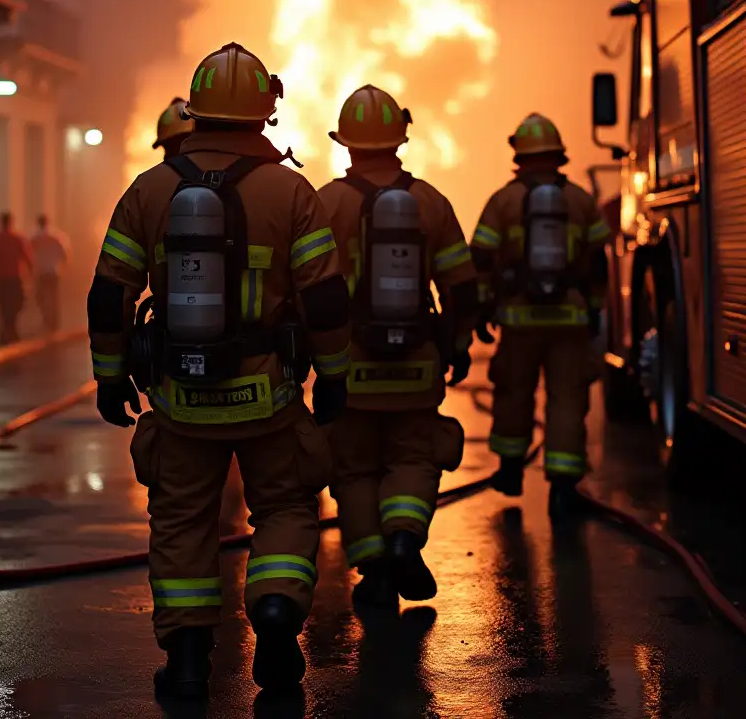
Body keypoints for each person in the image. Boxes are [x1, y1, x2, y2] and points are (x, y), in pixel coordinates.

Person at [86, 42, 351, 701]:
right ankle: (276, 615)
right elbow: (324, 297)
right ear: (266, 111)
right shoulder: (292, 191)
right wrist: (336, 373)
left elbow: (108, 293)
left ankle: (186, 660)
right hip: (270, 396)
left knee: (182, 522)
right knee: (286, 506)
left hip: (180, 401)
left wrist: (110, 375)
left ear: (196, 109)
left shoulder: (149, 190)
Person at [316, 86, 478, 608]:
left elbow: (304, 289)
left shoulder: (327, 203)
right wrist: (456, 344)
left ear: (346, 144)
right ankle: (406, 537)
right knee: (414, 456)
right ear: (400, 139)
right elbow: (460, 285)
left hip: (348, 366)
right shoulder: (429, 201)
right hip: (416, 363)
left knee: (353, 468)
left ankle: (374, 566)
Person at [471, 113, 610, 520]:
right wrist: (596, 308)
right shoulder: (581, 200)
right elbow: (598, 262)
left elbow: (480, 259)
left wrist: (482, 308)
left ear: (519, 154)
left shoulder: (504, 200)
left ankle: (511, 470)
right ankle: (563, 485)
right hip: (570, 322)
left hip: (519, 321)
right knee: (567, 399)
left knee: (514, 392)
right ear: (558, 154)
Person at [0, 212, 33, 344]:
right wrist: (30, 271)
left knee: (4, 304)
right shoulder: (17, 238)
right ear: (10, 222)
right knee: (16, 303)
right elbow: (26, 256)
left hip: (1, 277)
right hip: (14, 277)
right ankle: (11, 328)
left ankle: (6, 329)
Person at [31, 215, 69, 332]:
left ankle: (47, 318)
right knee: (54, 297)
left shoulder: (34, 238)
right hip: (53, 271)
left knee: (40, 297)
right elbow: (64, 254)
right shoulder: (56, 236)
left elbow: (29, 254)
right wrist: (62, 267)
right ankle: (54, 321)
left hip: (41, 272)